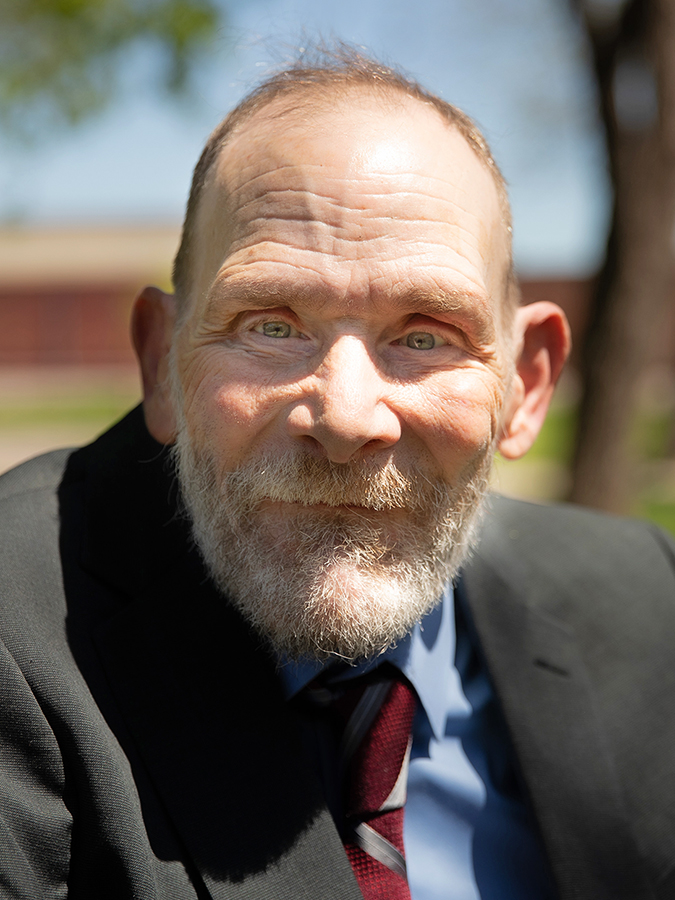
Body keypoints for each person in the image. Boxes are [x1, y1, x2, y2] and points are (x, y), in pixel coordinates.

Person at [1, 47, 675, 900]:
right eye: (270, 326)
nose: (346, 418)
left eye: (425, 336)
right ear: (160, 363)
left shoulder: (647, 598)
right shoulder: (13, 644)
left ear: (525, 386)